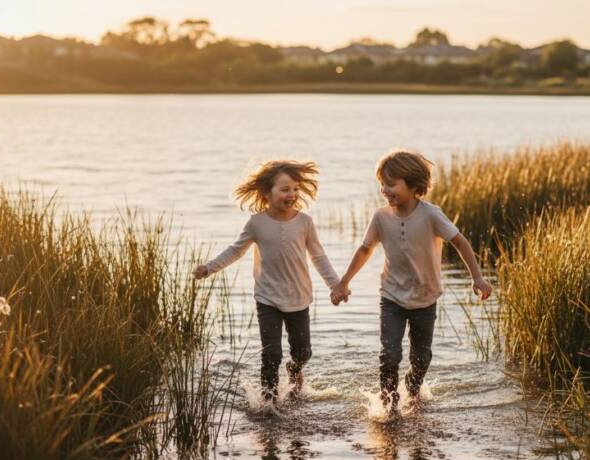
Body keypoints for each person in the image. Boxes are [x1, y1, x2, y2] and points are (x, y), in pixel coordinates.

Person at [331, 149, 492, 413]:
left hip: (425, 298)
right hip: (391, 297)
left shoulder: (431, 214)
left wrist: (477, 277)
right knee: (390, 355)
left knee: (421, 358)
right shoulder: (380, 216)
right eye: (382, 183)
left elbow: (460, 242)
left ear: (414, 185)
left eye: (391, 183)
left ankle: (413, 390)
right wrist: (343, 282)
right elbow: (364, 250)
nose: (385, 189)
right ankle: (388, 404)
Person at [195, 160, 342, 402]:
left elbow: (318, 256)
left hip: (299, 298)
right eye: (285, 189)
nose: (292, 194)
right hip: (268, 299)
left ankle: (294, 371)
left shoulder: (305, 222)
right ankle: (269, 402)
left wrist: (335, 285)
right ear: (267, 193)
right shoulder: (257, 223)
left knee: (303, 352)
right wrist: (209, 268)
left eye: (295, 189)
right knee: (271, 354)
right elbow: (235, 251)